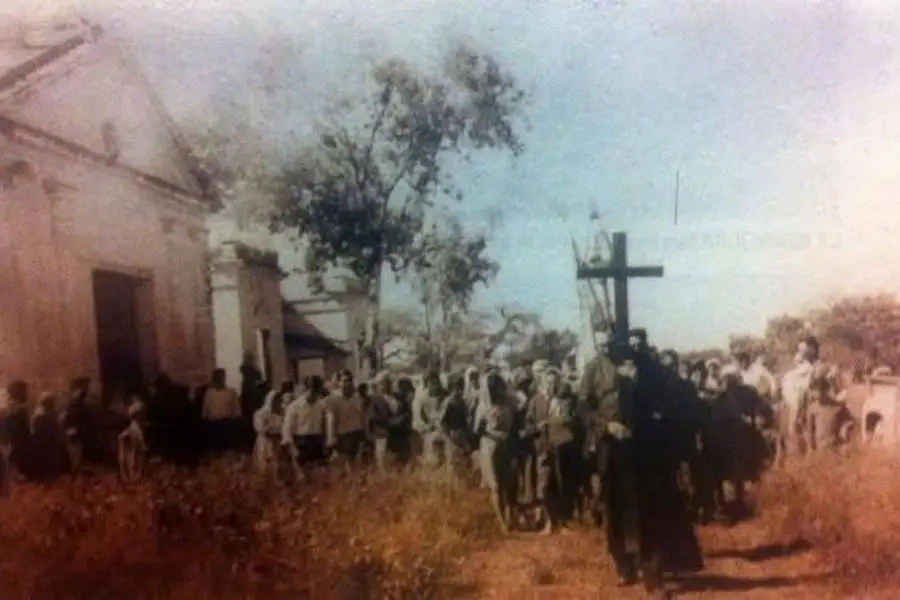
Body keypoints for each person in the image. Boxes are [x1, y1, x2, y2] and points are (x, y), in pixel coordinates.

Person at [475, 371, 518, 533]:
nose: (499, 390)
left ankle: (510, 517)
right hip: (490, 446)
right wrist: (495, 436)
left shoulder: (509, 402)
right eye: (495, 388)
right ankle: (502, 523)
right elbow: (478, 429)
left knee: (510, 483)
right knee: (496, 486)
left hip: (507, 444)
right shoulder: (484, 405)